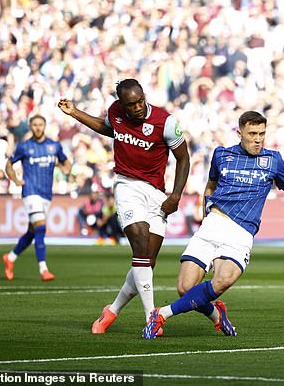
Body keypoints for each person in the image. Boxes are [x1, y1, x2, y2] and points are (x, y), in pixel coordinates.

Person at [142, 110, 284, 339]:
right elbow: (210, 187)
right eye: (252, 133)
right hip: (212, 224)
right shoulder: (221, 155)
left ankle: (161, 314)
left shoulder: (273, 160)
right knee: (185, 289)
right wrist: (206, 218)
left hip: (241, 232)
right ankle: (217, 315)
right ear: (240, 133)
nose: (258, 139)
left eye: (262, 134)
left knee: (223, 280)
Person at [57, 78, 190, 335]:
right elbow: (109, 128)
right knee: (139, 241)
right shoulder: (116, 113)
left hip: (156, 193)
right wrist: (75, 113)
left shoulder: (166, 122)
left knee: (146, 263)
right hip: (127, 184)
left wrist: (175, 195)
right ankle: (152, 316)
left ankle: (112, 310)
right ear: (122, 104)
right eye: (132, 104)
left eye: (141, 101)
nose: (138, 107)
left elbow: (183, 158)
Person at [2, 114, 72, 281]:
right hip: (30, 191)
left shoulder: (54, 146)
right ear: (30, 127)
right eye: (34, 125)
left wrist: (66, 169)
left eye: (41, 124)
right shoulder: (24, 147)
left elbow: (66, 162)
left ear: (45, 126)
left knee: (32, 232)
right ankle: (43, 269)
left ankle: (10, 258)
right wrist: (16, 180)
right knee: (41, 227)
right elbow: (9, 164)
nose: (38, 127)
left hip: (46, 194)